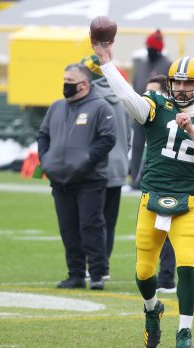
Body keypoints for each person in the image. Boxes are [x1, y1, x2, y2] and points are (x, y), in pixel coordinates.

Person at [93, 41, 194, 348]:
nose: (180, 88)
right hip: (151, 201)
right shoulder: (155, 105)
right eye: (176, 82)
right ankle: (152, 309)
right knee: (143, 272)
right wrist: (107, 62)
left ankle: (184, 331)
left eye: (187, 82)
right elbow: (127, 98)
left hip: (186, 203)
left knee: (186, 266)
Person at [37, 63, 116, 291]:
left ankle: (98, 274)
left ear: (83, 84)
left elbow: (108, 139)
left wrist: (87, 160)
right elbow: (43, 134)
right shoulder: (56, 107)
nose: (65, 86)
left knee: (91, 226)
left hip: (90, 179)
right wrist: (46, 159)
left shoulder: (101, 107)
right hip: (60, 179)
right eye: (64, 81)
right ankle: (76, 274)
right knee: (68, 228)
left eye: (69, 82)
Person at [81, 54, 131, 280]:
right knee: (108, 222)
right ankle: (103, 266)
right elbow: (128, 137)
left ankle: (94, 266)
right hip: (119, 167)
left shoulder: (90, 101)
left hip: (96, 169)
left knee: (91, 221)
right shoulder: (121, 97)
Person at [140, 74, 177, 293]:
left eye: (153, 92)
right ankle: (152, 275)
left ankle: (166, 278)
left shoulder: (175, 115)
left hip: (173, 182)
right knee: (151, 229)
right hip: (152, 179)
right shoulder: (149, 115)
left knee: (168, 227)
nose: (149, 96)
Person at [129, 30, 172, 186]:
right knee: (137, 145)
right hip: (141, 110)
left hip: (160, 114)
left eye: (152, 47)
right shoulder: (142, 64)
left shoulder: (167, 65)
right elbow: (135, 85)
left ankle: (154, 179)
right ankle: (135, 179)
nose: (149, 50)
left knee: (157, 147)